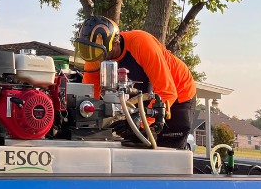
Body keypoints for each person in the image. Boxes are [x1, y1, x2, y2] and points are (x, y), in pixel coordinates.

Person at [74, 15, 196, 149]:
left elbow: (167, 92)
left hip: (178, 93)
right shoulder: (96, 55)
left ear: (115, 42)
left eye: (98, 52)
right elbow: (89, 97)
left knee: (167, 153)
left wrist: (140, 123)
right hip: (146, 96)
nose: (95, 59)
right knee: (134, 147)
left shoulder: (141, 43)